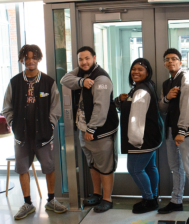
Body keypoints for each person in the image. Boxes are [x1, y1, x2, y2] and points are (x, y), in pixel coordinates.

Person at [2, 44, 67, 220]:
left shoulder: (48, 82)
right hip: (22, 136)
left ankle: (51, 200)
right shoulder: (14, 82)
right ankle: (27, 203)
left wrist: (51, 126)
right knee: (23, 169)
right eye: (27, 57)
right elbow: (6, 107)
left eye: (34, 57)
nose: (30, 61)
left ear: (39, 59)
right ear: (22, 59)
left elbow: (55, 108)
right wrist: (13, 124)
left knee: (48, 168)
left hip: (43, 136)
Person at [60, 46, 119, 213]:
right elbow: (64, 80)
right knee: (93, 164)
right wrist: (81, 81)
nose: (84, 62)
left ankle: (107, 199)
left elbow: (100, 107)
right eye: (80, 59)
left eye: (87, 58)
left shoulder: (101, 78)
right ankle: (96, 194)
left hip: (100, 131)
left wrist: (92, 129)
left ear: (94, 57)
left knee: (105, 166)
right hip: (83, 130)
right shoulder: (81, 73)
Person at [158, 48, 189, 224]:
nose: (170, 62)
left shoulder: (186, 78)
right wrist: (167, 98)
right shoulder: (166, 83)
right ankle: (176, 201)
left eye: (174, 59)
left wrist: (181, 130)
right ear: (164, 63)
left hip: (185, 132)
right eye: (167, 59)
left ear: (180, 62)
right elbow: (162, 108)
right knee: (175, 168)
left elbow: (188, 105)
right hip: (170, 130)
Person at [115, 58, 164, 214]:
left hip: (142, 139)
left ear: (147, 72)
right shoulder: (142, 87)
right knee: (150, 167)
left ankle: (149, 200)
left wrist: (135, 142)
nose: (135, 72)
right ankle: (153, 197)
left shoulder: (141, 91)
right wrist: (121, 100)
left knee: (135, 169)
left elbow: (136, 118)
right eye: (133, 69)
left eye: (140, 69)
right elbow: (130, 107)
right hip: (151, 138)